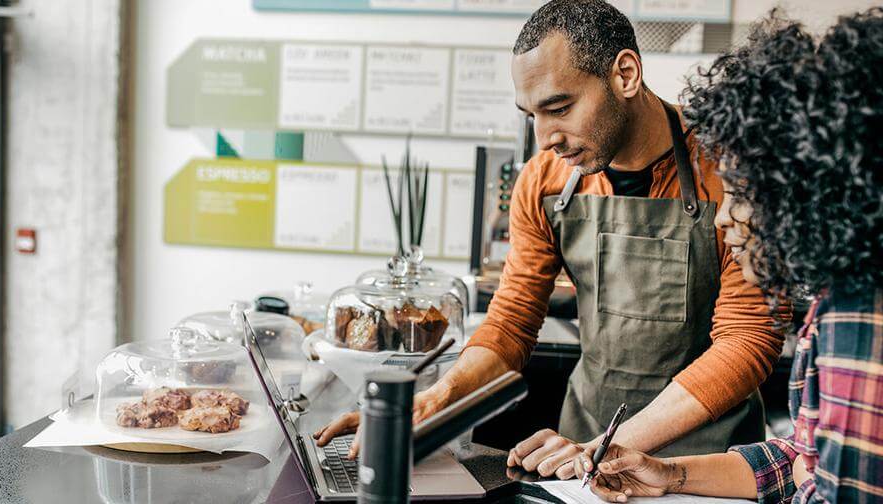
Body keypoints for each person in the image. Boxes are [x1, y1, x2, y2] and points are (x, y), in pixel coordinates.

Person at [315, 0, 785, 475]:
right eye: (531, 116)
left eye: (559, 108)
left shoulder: (734, 173)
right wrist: (430, 403)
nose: (545, 138)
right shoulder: (544, 182)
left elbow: (748, 340)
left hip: (709, 464)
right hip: (585, 449)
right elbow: (513, 319)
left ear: (625, 74)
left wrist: (613, 445)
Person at [571, 10, 883, 503]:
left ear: (804, 194)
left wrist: (808, 481)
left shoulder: (860, 326)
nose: (722, 217)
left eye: (738, 192)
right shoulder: (835, 302)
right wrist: (668, 474)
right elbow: (804, 457)